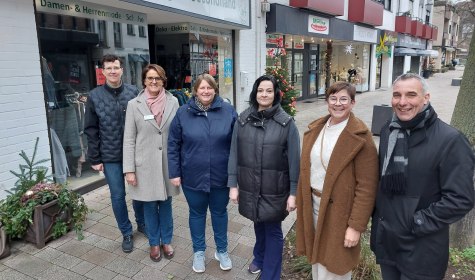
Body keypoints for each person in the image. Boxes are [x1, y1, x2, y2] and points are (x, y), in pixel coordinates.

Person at [370, 73, 475, 280]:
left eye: (411, 95)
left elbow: (460, 199)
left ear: (426, 98)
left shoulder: (450, 140)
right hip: (388, 244)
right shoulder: (388, 132)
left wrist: (415, 222)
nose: (402, 102)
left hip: (422, 249)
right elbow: (382, 184)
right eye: (397, 95)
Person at [295, 81, 378, 280]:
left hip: (340, 214)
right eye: (333, 99)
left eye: (344, 99)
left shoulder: (361, 137)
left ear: (353, 103)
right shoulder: (317, 129)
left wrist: (356, 227)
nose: (338, 104)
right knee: (317, 265)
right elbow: (307, 170)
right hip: (313, 206)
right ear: (327, 101)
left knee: (334, 269)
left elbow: (367, 187)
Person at [228, 75, 301, 280]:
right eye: (261, 90)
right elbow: (234, 153)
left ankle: (271, 275)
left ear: (275, 94)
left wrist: (293, 193)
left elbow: (295, 162)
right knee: (258, 222)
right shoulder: (243, 119)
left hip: (275, 188)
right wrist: (233, 184)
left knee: (273, 230)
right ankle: (259, 257)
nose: (264, 94)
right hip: (250, 185)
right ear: (255, 92)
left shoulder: (286, 124)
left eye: (269, 91)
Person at [168, 74, 237, 273]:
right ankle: (199, 252)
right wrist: (175, 172)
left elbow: (237, 145)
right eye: (201, 88)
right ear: (195, 91)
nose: (205, 91)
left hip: (220, 176)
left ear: (215, 90)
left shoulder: (228, 111)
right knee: (196, 214)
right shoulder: (183, 113)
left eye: (209, 87)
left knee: (219, 213)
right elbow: (173, 144)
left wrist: (235, 176)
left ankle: (222, 251)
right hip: (192, 176)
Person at [84, 54, 144, 253]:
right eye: (108, 68)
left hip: (135, 153)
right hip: (110, 156)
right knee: (118, 196)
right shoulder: (94, 96)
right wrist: (95, 158)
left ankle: (142, 224)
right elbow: (91, 129)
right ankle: (126, 232)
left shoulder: (133, 92)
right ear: (103, 71)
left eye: (116, 67)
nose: (112, 71)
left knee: (138, 193)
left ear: (122, 70)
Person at [123, 64, 180, 262]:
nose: (153, 81)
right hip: (144, 165)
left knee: (166, 204)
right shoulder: (134, 105)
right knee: (149, 206)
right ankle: (154, 243)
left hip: (167, 164)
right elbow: (129, 139)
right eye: (149, 78)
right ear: (144, 81)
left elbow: (179, 135)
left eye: (157, 78)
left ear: (163, 80)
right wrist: (129, 170)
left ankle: (167, 241)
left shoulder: (174, 102)